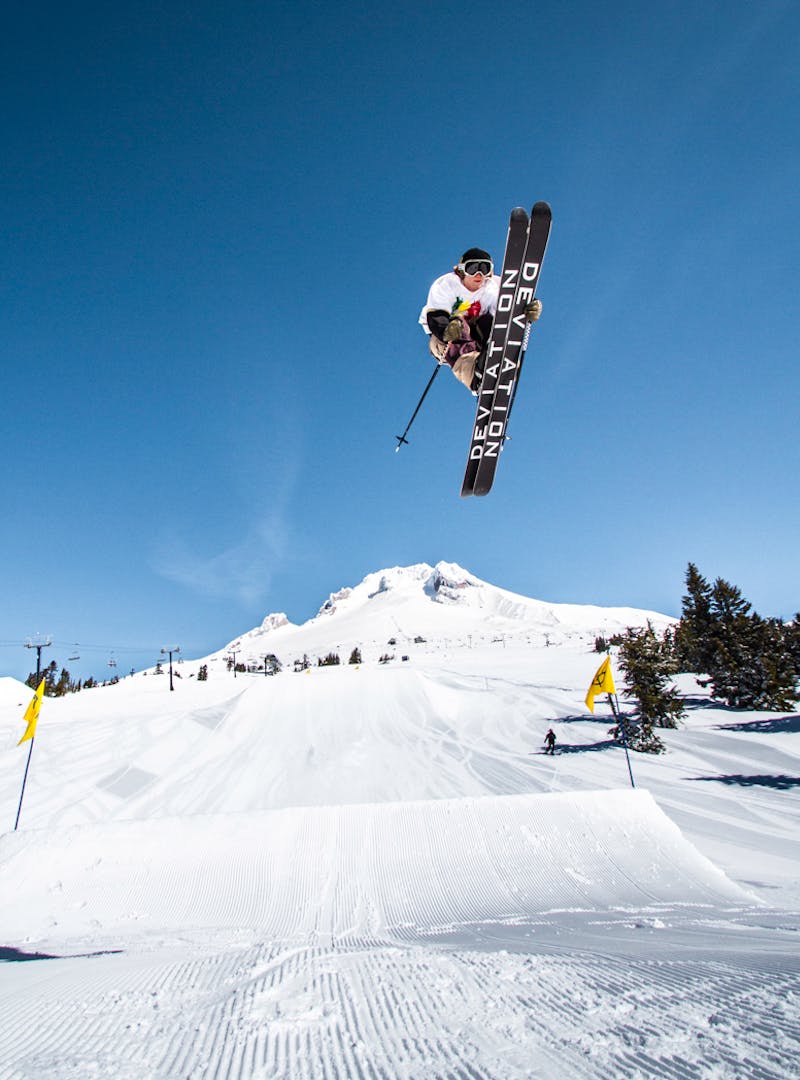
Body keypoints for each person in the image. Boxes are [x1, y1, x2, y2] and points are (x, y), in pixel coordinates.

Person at [419, 247, 542, 392]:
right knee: (459, 325)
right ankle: (474, 373)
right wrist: (446, 330)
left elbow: (511, 307)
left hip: (479, 336)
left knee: (488, 322)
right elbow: (436, 316)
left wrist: (527, 309)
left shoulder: (495, 286)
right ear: (461, 271)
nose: (479, 274)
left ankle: (499, 362)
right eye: (473, 268)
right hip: (445, 339)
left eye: (484, 268)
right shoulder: (446, 285)